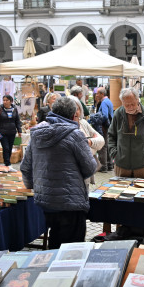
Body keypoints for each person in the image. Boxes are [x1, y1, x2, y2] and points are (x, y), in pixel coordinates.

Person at [21, 97, 97, 249]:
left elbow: (25, 167)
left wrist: (32, 186)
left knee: (55, 242)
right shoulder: (75, 134)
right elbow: (89, 168)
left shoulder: (37, 133)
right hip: (70, 203)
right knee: (71, 250)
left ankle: (52, 270)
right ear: (73, 114)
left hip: (46, 201)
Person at [108, 87, 144, 179]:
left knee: (142, 191)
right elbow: (111, 136)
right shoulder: (118, 114)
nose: (130, 107)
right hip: (121, 165)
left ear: (137, 99)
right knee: (121, 191)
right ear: (122, 102)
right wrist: (115, 154)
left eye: (133, 104)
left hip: (141, 165)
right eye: (127, 105)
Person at [68, 95, 104, 184]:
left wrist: (89, 141)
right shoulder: (66, 126)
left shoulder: (83, 123)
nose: (75, 112)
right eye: (71, 109)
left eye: (77, 108)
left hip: (86, 174)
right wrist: (93, 146)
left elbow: (101, 141)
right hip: (73, 175)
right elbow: (79, 151)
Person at [0, 95, 22, 167]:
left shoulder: (14, 109)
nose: (5, 102)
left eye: (7, 100)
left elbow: (17, 120)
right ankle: (7, 163)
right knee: (5, 148)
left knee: (10, 148)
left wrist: (19, 130)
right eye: (4, 100)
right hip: (2, 132)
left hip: (12, 132)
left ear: (11, 101)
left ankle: (7, 163)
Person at [95, 87, 114, 172]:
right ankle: (110, 164)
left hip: (104, 126)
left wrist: (98, 120)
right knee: (107, 145)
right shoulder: (108, 101)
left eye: (98, 93)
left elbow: (105, 116)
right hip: (109, 126)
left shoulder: (104, 102)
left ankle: (103, 166)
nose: (96, 95)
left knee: (103, 146)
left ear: (102, 94)